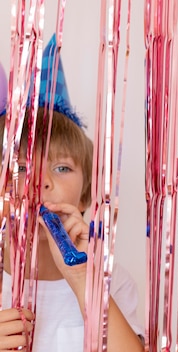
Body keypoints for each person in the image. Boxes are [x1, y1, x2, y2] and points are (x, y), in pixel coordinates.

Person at [0, 36, 143, 351]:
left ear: (84, 196)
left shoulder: (110, 280)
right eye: (21, 169)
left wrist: (81, 278)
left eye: (62, 168)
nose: (41, 182)